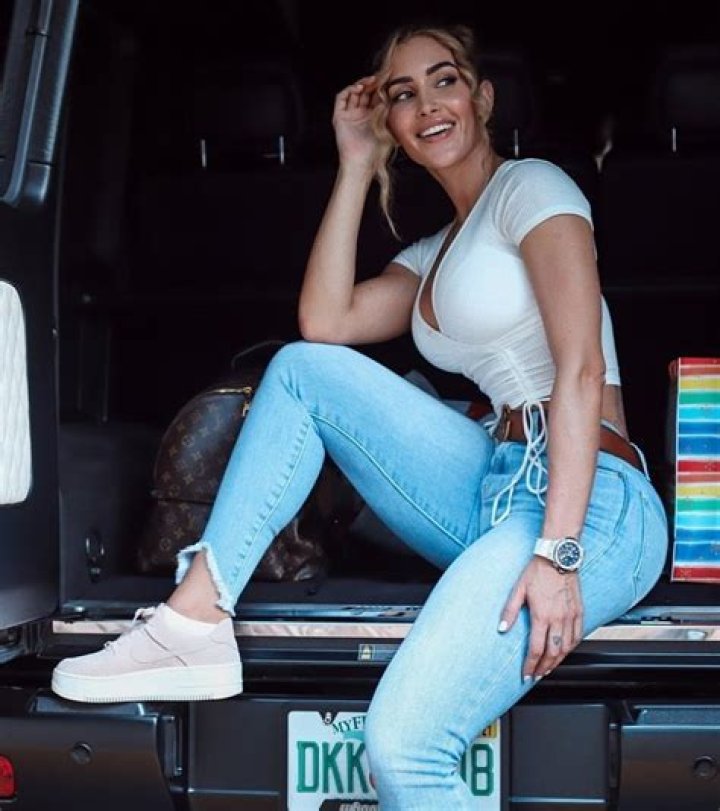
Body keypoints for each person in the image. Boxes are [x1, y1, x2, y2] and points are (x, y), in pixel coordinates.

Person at [52, 22, 669, 809]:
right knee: (302, 371)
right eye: (403, 94)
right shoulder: (434, 254)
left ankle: (194, 625)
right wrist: (352, 162)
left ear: (482, 98)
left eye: (444, 81)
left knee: (407, 749)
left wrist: (558, 553)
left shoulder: (533, 189)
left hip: (593, 500)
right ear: (392, 123)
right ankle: (193, 621)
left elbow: (580, 369)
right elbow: (325, 322)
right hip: (494, 485)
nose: (428, 105)